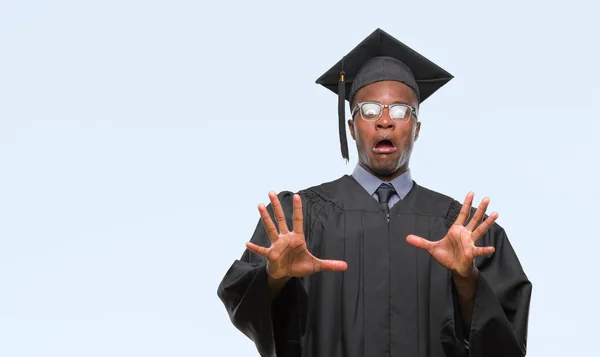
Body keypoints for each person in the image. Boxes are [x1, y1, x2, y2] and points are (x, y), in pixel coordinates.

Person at [216, 28, 532, 357]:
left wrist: (467, 279)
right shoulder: (301, 219)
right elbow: (244, 304)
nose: (385, 121)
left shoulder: (463, 229)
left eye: (400, 111)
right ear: (352, 127)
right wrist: (274, 277)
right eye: (369, 110)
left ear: (417, 129)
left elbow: (504, 343)